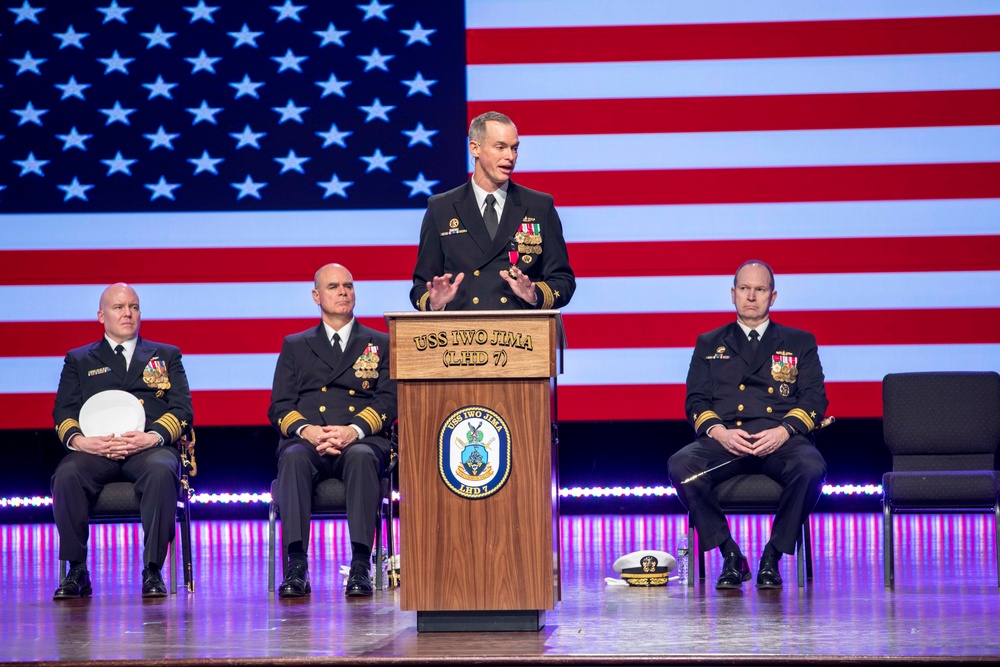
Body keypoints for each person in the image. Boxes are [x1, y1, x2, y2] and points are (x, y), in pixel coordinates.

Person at [667, 260, 828, 589]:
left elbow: (814, 400)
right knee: (682, 465)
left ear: (773, 296)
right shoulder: (709, 343)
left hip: (780, 440)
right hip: (727, 442)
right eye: (744, 288)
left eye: (760, 289)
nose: (751, 296)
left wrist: (784, 430)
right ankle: (730, 555)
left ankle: (773, 554)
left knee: (812, 468)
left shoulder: (799, 342)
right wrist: (720, 432)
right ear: (732, 294)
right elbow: (696, 400)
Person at [51, 283, 192, 599]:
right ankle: (76, 569)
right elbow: (63, 411)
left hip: (147, 448)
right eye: (119, 307)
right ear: (102, 315)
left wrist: (150, 437)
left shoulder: (165, 355)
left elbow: (182, 410)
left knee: (161, 469)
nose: (127, 313)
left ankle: (153, 569)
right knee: (67, 474)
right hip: (95, 449)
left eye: (134, 306)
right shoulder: (79, 359)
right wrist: (80, 441)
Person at [269, 263, 397, 598]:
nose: (343, 292)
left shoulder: (380, 342)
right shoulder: (296, 345)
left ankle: (360, 564)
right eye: (334, 286)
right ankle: (296, 565)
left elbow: (389, 399)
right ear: (316, 296)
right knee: (293, 458)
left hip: (361, 438)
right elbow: (280, 406)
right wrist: (308, 431)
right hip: (309, 440)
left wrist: (354, 430)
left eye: (349, 286)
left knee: (361, 457)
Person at [410, 110, 575, 311]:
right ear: (475, 148)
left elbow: (563, 282)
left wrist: (534, 294)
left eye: (514, 148)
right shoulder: (441, 208)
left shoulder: (540, 206)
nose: (510, 157)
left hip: (520, 336)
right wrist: (436, 302)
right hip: (461, 336)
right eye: (500, 147)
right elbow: (420, 287)